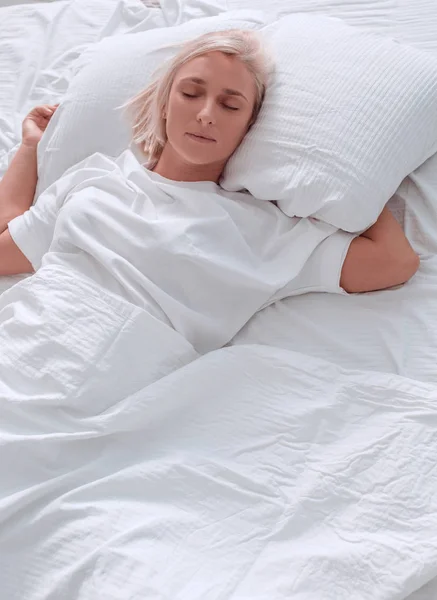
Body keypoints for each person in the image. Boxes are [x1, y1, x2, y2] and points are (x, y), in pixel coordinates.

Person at [0, 29, 420, 364]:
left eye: (230, 105)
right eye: (191, 93)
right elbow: (6, 243)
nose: (206, 114)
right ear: (165, 103)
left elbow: (394, 262)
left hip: (110, 371)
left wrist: (347, 175)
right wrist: (31, 149)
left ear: (249, 127)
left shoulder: (262, 231)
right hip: (27, 335)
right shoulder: (97, 178)